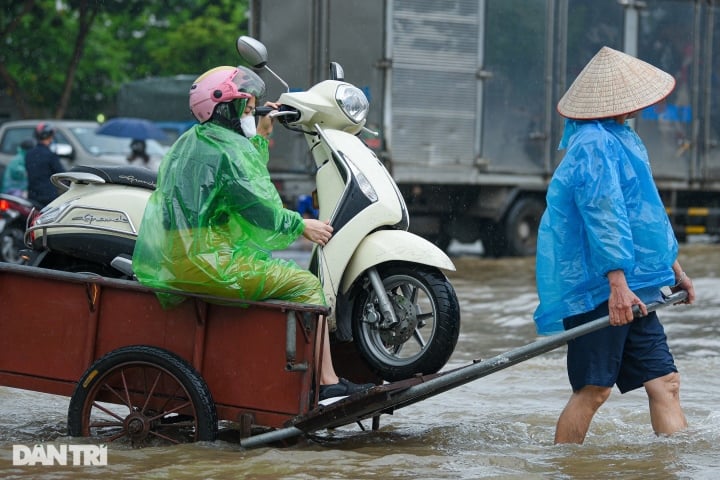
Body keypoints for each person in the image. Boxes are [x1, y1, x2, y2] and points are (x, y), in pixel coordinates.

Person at [132, 65, 373, 401]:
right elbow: (256, 207)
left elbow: (242, 182)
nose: (251, 113)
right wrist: (300, 225)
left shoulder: (195, 140)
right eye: (246, 108)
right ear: (224, 107)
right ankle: (328, 386)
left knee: (272, 270)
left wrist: (260, 134)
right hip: (206, 261)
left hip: (184, 256)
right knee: (305, 284)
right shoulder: (226, 149)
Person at [533, 46, 696, 444]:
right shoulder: (592, 144)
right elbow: (602, 215)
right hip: (600, 289)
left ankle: (673, 468)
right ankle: (564, 468)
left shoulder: (623, 138)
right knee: (593, 391)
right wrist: (616, 284)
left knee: (665, 382)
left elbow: (646, 215)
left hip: (632, 285)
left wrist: (675, 269)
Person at [25, 123, 65, 207]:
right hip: (49, 197)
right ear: (50, 136)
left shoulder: (29, 154)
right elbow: (62, 174)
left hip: (32, 196)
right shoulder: (50, 155)